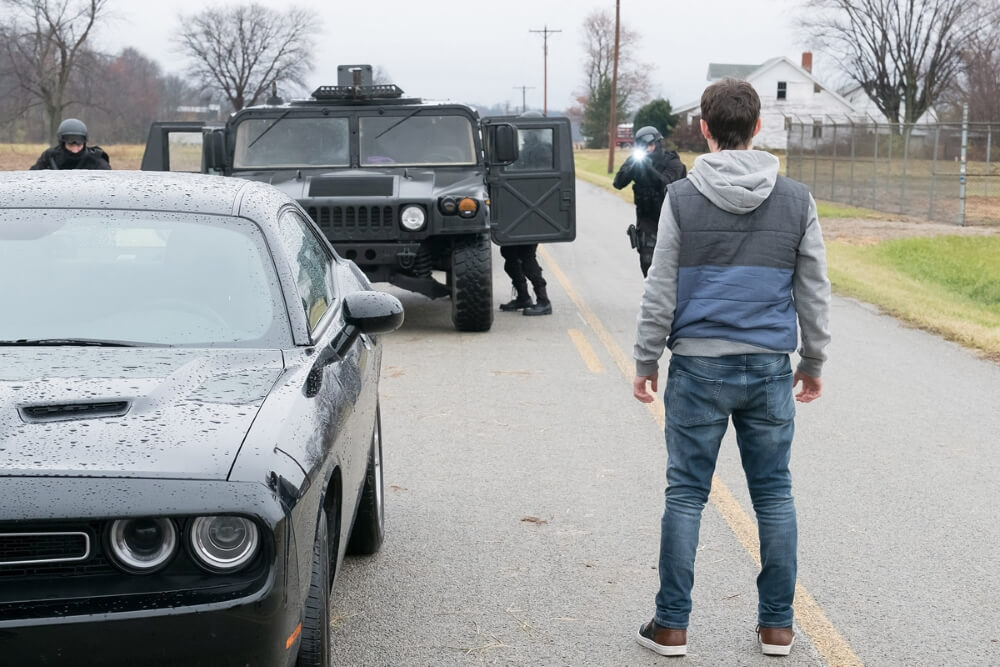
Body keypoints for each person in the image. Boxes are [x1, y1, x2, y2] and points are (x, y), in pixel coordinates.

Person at [631, 78, 831, 658]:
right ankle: (777, 627)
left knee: (686, 494)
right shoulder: (796, 199)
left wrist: (646, 359)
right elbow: (814, 291)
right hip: (769, 368)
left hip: (696, 370)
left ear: (705, 129)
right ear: (759, 127)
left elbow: (659, 290)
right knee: (773, 495)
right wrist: (812, 359)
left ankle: (671, 626)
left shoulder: (682, 198)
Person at [613, 126, 686, 277]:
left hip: (671, 220)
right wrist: (632, 167)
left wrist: (648, 168)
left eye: (649, 145)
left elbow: (666, 184)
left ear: (658, 143)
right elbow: (618, 183)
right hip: (647, 221)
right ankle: (653, 297)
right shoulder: (636, 161)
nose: (646, 149)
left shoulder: (672, 163)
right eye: (642, 146)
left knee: (672, 268)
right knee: (648, 263)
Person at [499, 117, 553, 316]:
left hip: (531, 211)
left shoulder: (540, 151)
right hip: (520, 209)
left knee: (526, 256)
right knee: (510, 254)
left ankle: (543, 300)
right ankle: (523, 296)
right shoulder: (530, 149)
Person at [30, 118, 111, 170]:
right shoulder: (50, 157)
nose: (75, 150)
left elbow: (109, 187)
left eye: (79, 145)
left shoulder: (96, 161)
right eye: (70, 144)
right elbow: (32, 178)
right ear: (62, 143)